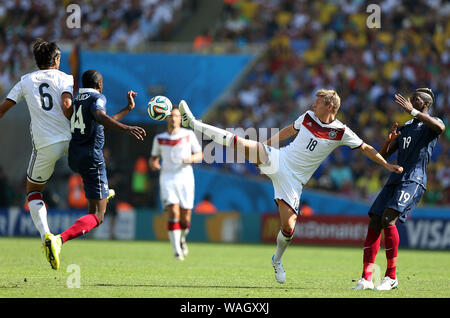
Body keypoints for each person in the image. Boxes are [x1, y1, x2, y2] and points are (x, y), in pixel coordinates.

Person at [179, 89, 403, 283]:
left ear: (329, 106)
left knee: (288, 228)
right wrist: (265, 146)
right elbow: (289, 130)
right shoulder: (307, 117)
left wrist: (386, 164)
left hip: (295, 181)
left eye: (317, 102)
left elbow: (365, 148)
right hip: (280, 159)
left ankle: (277, 259)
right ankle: (195, 123)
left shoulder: (341, 131)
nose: (312, 105)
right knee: (238, 141)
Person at [44, 69, 146, 270]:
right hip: (92, 158)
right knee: (99, 216)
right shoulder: (98, 97)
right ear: (99, 85)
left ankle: (104, 192)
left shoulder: (77, 100)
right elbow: (100, 116)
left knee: (92, 210)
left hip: (75, 157)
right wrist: (127, 128)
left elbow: (100, 123)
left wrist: (127, 109)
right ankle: (59, 240)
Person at [352, 88, 445, 291]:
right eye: (410, 100)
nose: (410, 102)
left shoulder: (432, 123)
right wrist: (387, 141)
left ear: (426, 104)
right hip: (396, 177)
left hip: (414, 179)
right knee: (375, 219)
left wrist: (413, 111)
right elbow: (385, 154)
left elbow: (440, 128)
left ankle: (391, 277)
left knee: (388, 218)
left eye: (415, 100)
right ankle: (366, 278)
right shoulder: (407, 126)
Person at [0, 39, 73, 262]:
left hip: (45, 146)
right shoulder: (65, 78)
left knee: (34, 191)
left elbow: (4, 108)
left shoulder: (25, 80)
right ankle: (102, 187)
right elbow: (68, 107)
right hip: (70, 141)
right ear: (57, 60)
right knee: (92, 160)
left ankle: (46, 236)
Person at [149, 107, 203, 260]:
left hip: (185, 177)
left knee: (185, 218)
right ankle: (176, 250)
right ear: (166, 118)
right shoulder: (159, 138)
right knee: (173, 211)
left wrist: (190, 159)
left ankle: (182, 238)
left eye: (177, 116)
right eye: (171, 116)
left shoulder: (188, 134)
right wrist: (154, 163)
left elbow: (200, 154)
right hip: (167, 178)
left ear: (181, 119)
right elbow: (153, 158)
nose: (174, 119)